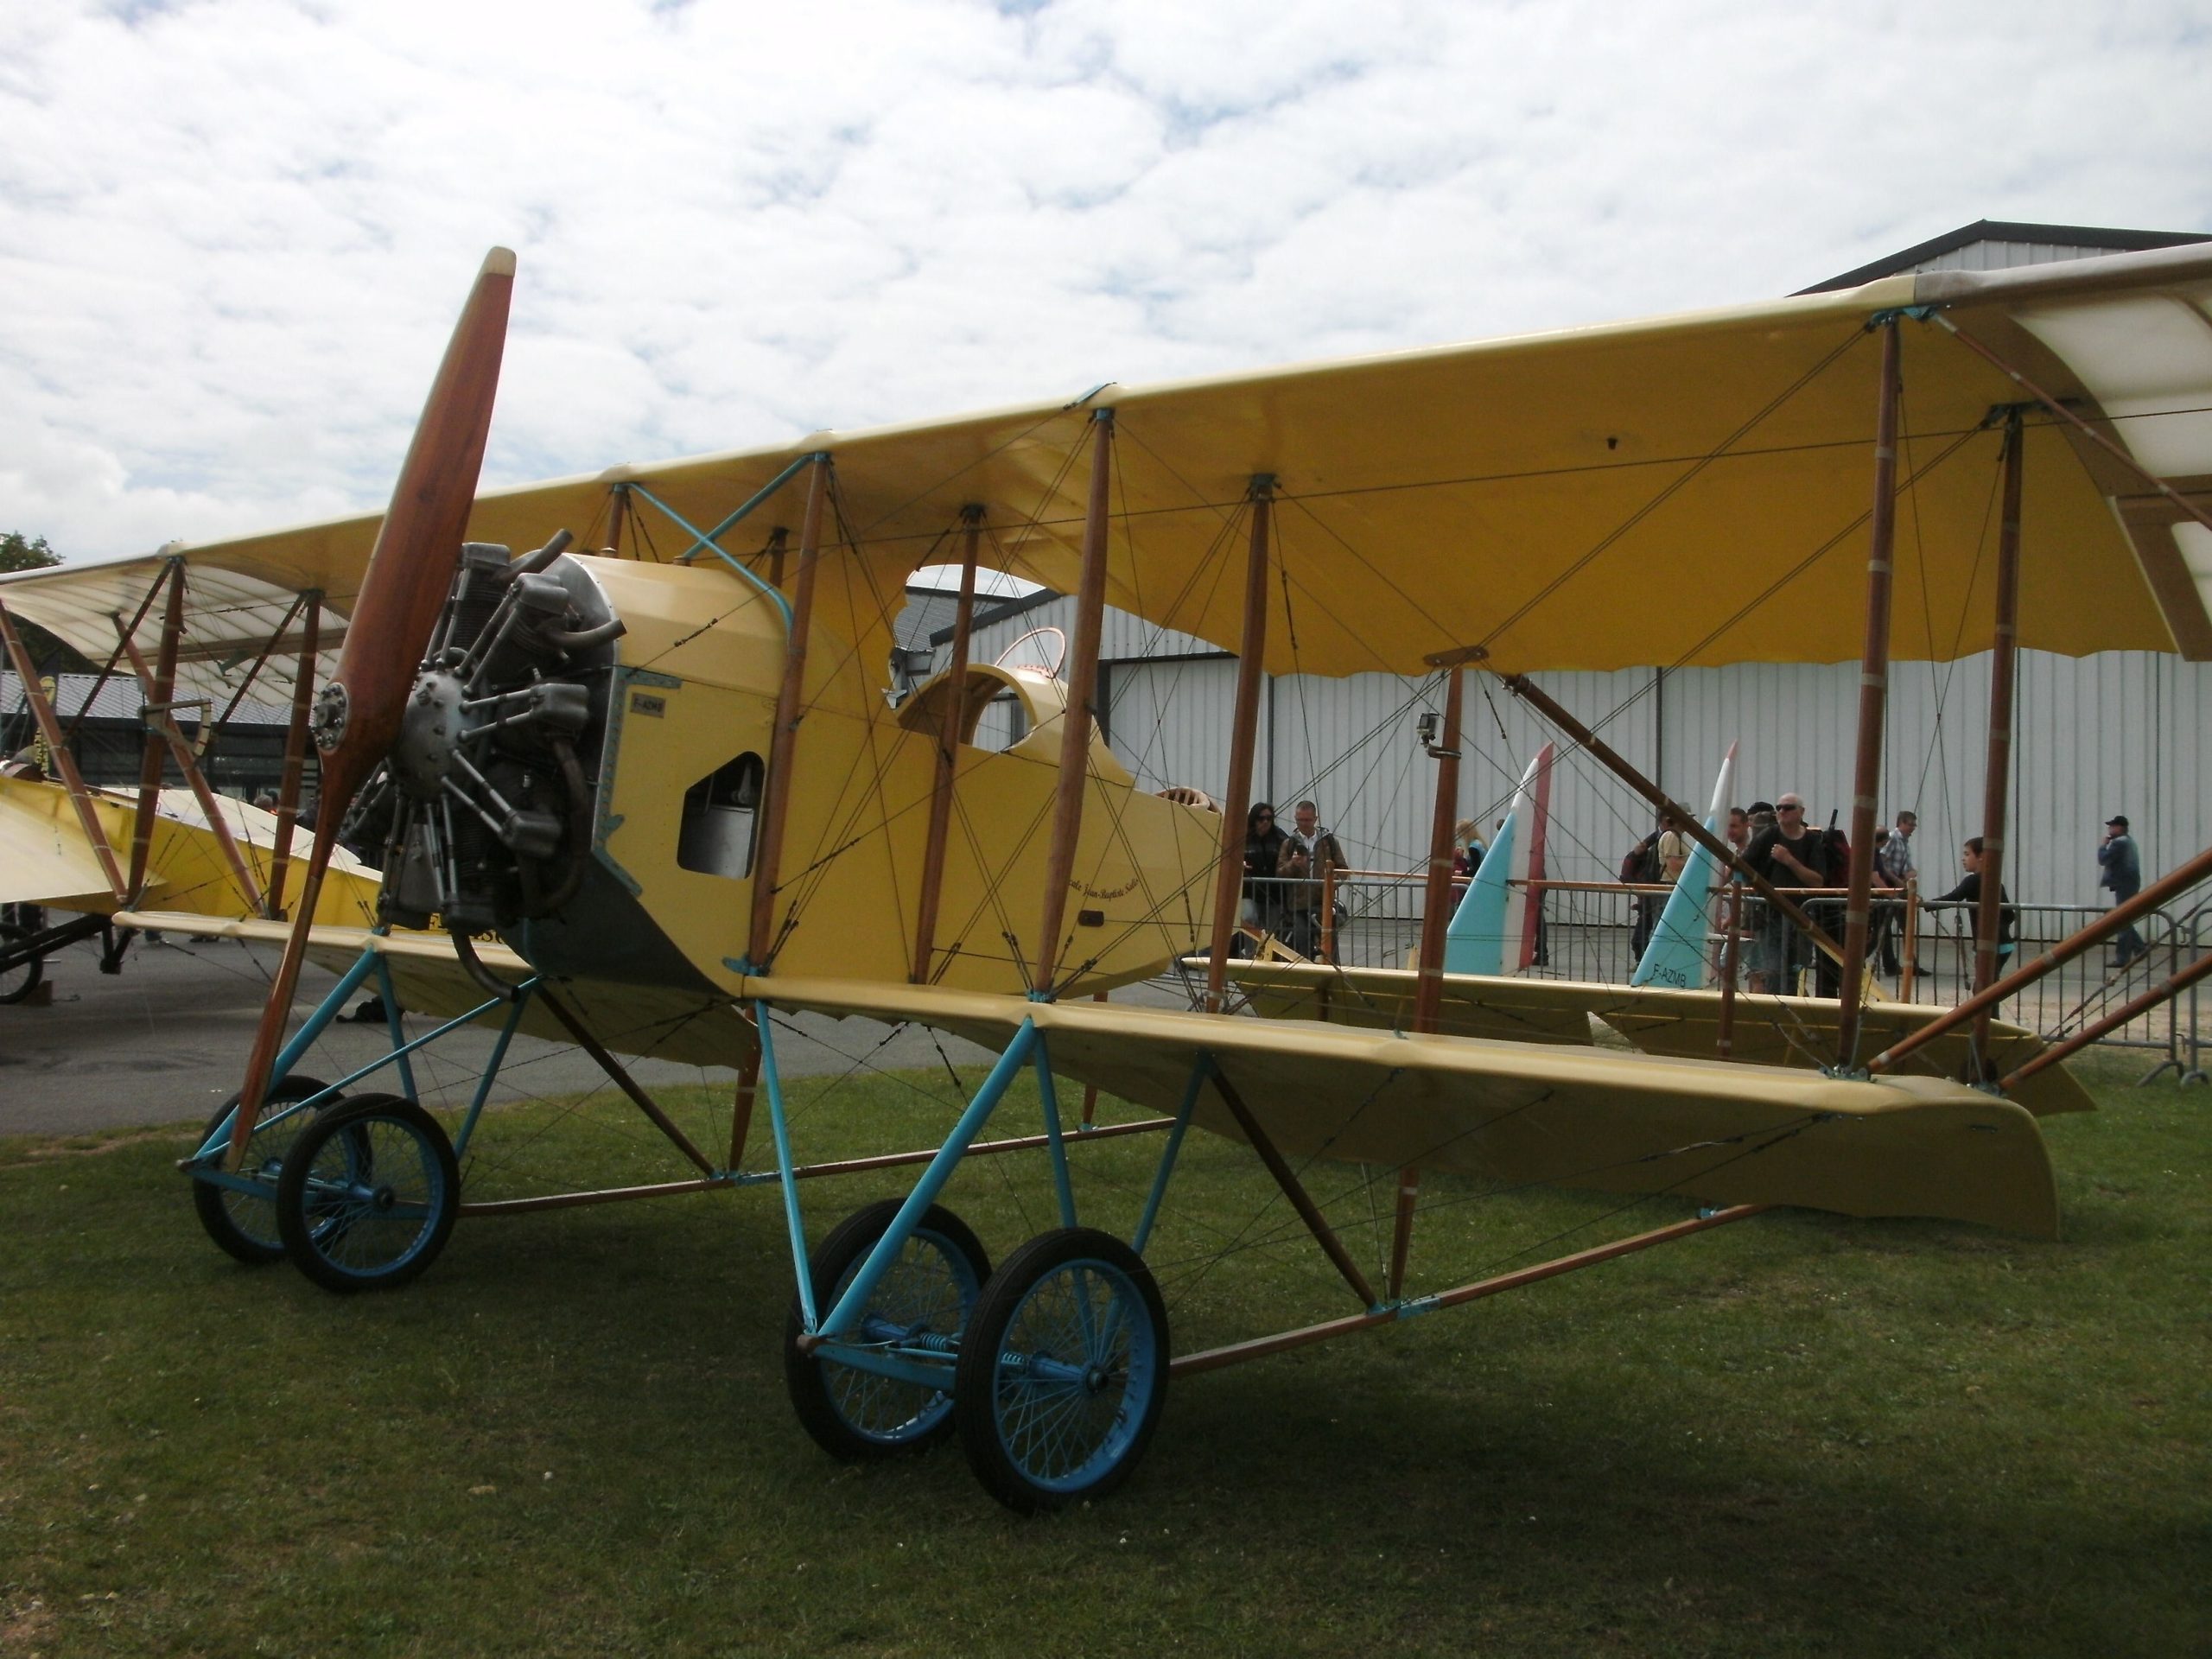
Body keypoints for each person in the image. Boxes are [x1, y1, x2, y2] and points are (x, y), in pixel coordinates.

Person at [1743, 793, 1827, 994]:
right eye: (1779, 807)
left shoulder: (1812, 841)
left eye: (1788, 808)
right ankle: (1774, 1011)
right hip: (1770, 916)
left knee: (1796, 968)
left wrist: (1789, 860)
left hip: (1801, 916)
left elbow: (1818, 882)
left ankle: (1791, 1008)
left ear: (1801, 812)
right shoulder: (1768, 836)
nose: (1782, 812)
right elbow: (1742, 867)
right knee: (1773, 970)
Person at [1276, 800, 1347, 959]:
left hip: (1323, 902)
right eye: (1299, 820)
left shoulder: (1329, 842)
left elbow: (1343, 869)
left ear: (1315, 819)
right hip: (1297, 905)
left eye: (1307, 820)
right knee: (1302, 941)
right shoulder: (1289, 843)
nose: (1303, 824)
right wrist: (1293, 864)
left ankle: (1332, 974)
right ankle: (1305, 974)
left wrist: (1331, 883)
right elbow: (1280, 873)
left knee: (1330, 942)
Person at [1929, 837, 2017, 965]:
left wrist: (1926, 904)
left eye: (1967, 854)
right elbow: (2010, 915)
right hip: (2004, 944)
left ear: (1981, 856)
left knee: (1985, 983)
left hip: (1987, 946)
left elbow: (1954, 897)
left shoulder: (1972, 881)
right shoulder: (1995, 881)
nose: (1963, 859)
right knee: (1990, 982)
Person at [2099, 814, 2145, 967]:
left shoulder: (2119, 843)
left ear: (2120, 828)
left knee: (2122, 920)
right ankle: (2140, 948)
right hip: (2130, 884)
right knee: (2123, 920)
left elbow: (2103, 859)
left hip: (2124, 884)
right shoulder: (2129, 841)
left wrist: (2102, 845)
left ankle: (2122, 958)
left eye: (2112, 826)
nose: (2110, 829)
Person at [1873, 810, 1916, 976]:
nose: (1913, 828)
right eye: (1910, 824)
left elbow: (1904, 865)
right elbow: (1882, 864)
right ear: (1901, 823)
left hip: (1899, 883)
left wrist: (1909, 874)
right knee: (1885, 925)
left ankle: (1909, 962)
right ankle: (1891, 963)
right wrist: (1896, 881)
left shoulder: (1904, 842)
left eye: (1914, 824)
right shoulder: (1891, 839)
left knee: (1905, 923)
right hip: (1891, 883)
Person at [1241, 802, 1288, 947]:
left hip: (1274, 894)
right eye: (1261, 818)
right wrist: (1239, 863)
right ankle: (1250, 956)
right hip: (1249, 892)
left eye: (1269, 818)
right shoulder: (1244, 837)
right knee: (1249, 919)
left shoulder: (1279, 837)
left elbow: (1291, 851)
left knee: (1271, 932)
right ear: (1254, 819)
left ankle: (1269, 960)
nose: (1266, 822)